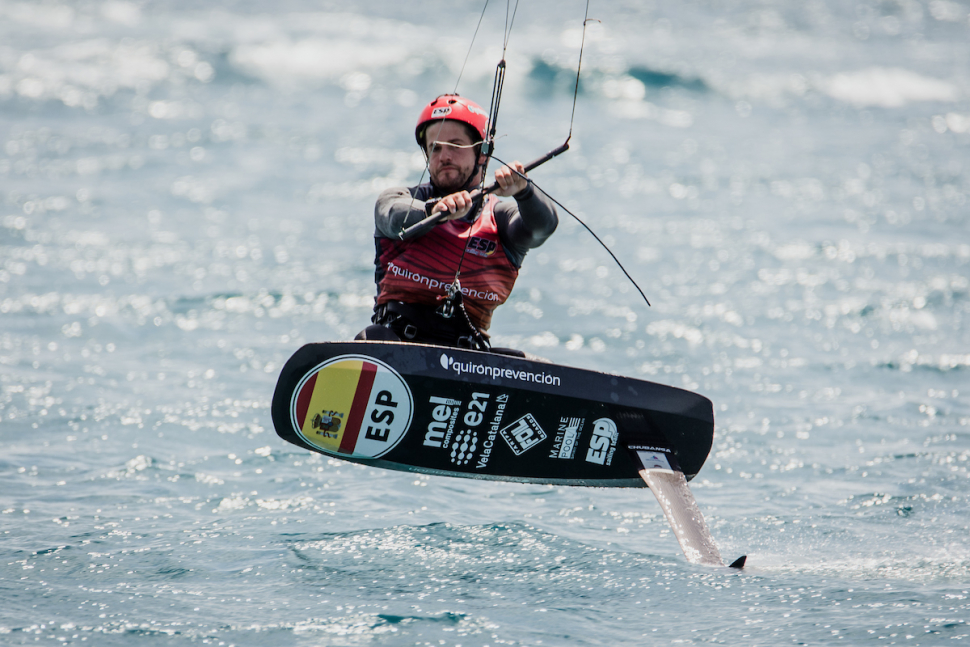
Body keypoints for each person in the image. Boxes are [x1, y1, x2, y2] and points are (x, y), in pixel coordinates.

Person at [356, 94, 558, 350]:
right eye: (435, 148)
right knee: (371, 338)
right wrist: (434, 211)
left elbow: (543, 227)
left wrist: (524, 191)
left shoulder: (500, 221)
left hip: (469, 363)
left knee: (525, 363)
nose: (443, 156)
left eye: (455, 145)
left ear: (482, 154)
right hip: (396, 349)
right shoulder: (401, 200)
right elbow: (395, 217)